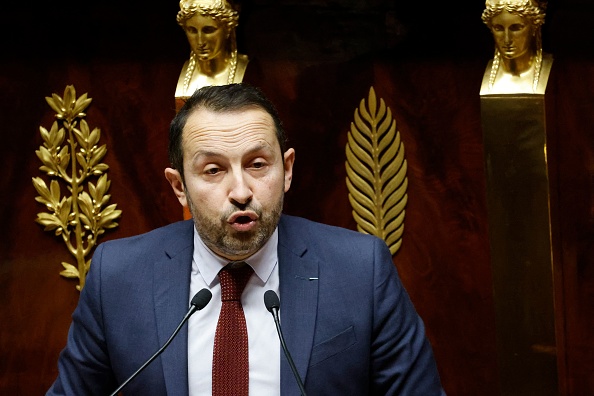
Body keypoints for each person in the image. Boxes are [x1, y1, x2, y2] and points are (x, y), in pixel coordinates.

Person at [47, 84, 445, 395]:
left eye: (257, 164)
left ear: (286, 170)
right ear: (179, 187)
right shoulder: (117, 277)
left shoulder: (360, 270)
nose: (241, 190)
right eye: (213, 170)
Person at [175, 0, 249, 99]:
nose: (200, 42)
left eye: (208, 30)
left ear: (228, 29)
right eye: (192, 30)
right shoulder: (182, 74)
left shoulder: (246, 68)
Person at [481, 0, 552, 94]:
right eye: (499, 28)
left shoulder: (557, 73)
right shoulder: (475, 76)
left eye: (516, 28)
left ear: (534, 27)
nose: (507, 40)